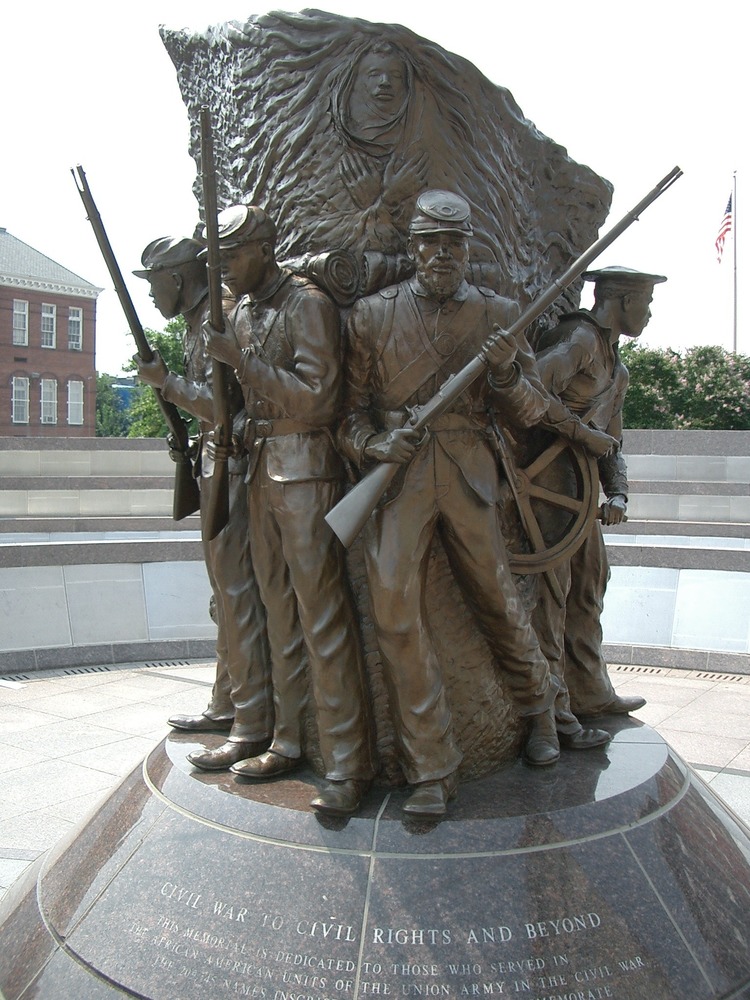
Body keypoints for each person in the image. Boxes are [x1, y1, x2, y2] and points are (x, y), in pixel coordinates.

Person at [337, 190, 562, 818]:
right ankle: (431, 767)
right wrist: (375, 444)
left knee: (497, 598)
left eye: (454, 244)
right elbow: (349, 416)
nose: (443, 254)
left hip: (469, 471)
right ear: (413, 248)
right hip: (398, 479)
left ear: (468, 250)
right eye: (431, 242)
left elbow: (531, 412)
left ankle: (540, 710)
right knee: (394, 616)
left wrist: (507, 374)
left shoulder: (499, 314)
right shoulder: (371, 316)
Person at [203, 205, 375, 816]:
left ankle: (349, 763)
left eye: (232, 256)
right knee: (278, 612)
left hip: (306, 468)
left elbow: (319, 398)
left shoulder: (308, 305)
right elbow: (235, 401)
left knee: (321, 616)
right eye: (216, 260)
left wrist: (241, 361)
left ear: (265, 247)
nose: (223, 270)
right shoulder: (241, 311)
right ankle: (285, 739)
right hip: (260, 468)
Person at [132, 236, 273, 769]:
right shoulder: (197, 323)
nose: (151, 296)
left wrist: (166, 383)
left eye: (154, 284)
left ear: (177, 277)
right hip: (214, 461)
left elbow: (227, 408)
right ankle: (225, 702)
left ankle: (250, 721)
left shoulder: (223, 316)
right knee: (225, 596)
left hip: (236, 468)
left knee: (237, 596)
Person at [532, 265, 667, 724]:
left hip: (583, 493)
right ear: (624, 300)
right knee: (552, 595)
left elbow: (612, 444)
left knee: (590, 586)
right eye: (647, 303)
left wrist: (619, 494)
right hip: (547, 487)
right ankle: (552, 708)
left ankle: (590, 692)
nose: (649, 314)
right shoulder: (580, 340)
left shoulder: (619, 371)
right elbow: (527, 391)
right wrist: (579, 433)